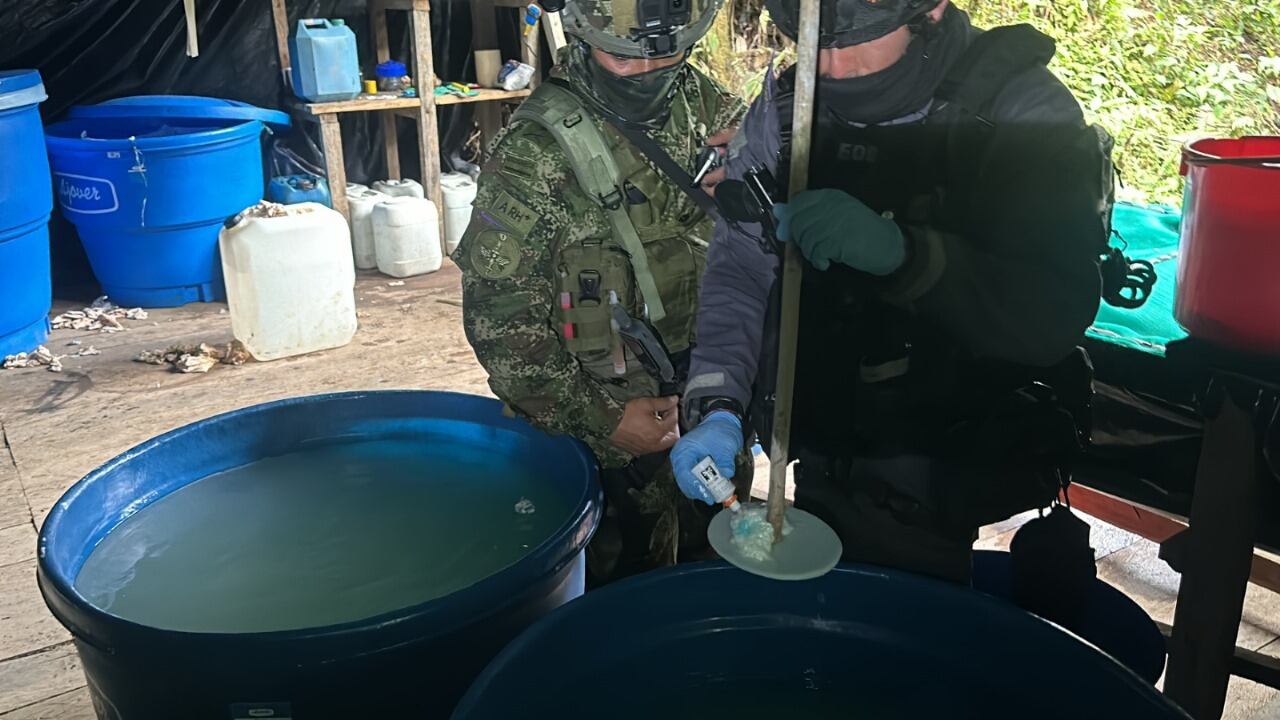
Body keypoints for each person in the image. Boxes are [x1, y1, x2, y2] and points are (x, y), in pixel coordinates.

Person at [670, 0, 1114, 582]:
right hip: (830, 442)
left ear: (926, 10)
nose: (829, 64)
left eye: (853, 37)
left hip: (950, 451)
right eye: (810, 39)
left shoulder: (1018, 111)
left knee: (915, 636)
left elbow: (1055, 309)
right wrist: (718, 404)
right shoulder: (785, 111)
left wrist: (906, 256)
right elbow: (739, 270)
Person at [453, 0, 748, 587]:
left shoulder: (705, 105)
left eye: (664, 54)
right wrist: (604, 418)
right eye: (622, 55)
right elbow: (499, 320)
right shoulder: (533, 154)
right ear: (585, 36)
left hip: (710, 400)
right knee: (623, 587)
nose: (643, 72)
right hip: (612, 429)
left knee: (719, 565)